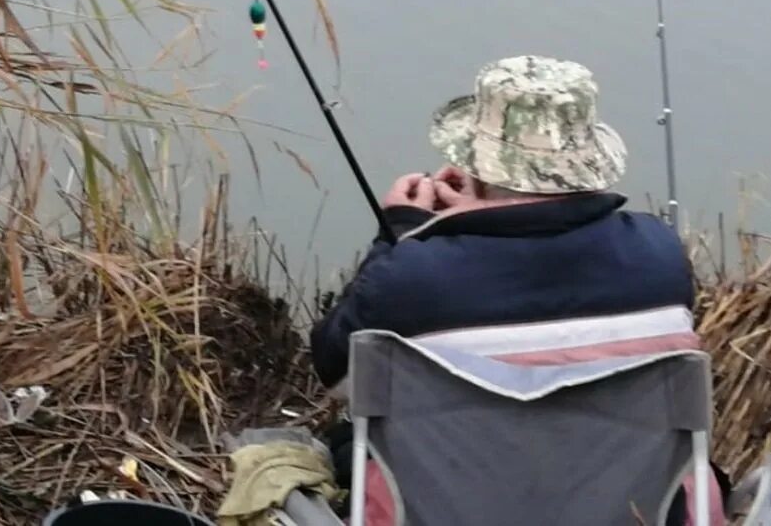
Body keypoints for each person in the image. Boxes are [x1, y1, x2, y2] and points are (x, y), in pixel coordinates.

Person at [310, 55, 726, 525]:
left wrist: (402, 233)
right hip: (629, 512)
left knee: (345, 443)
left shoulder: (410, 277)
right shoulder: (660, 258)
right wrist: (480, 216)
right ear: (586, 162)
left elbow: (337, 378)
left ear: (479, 167)